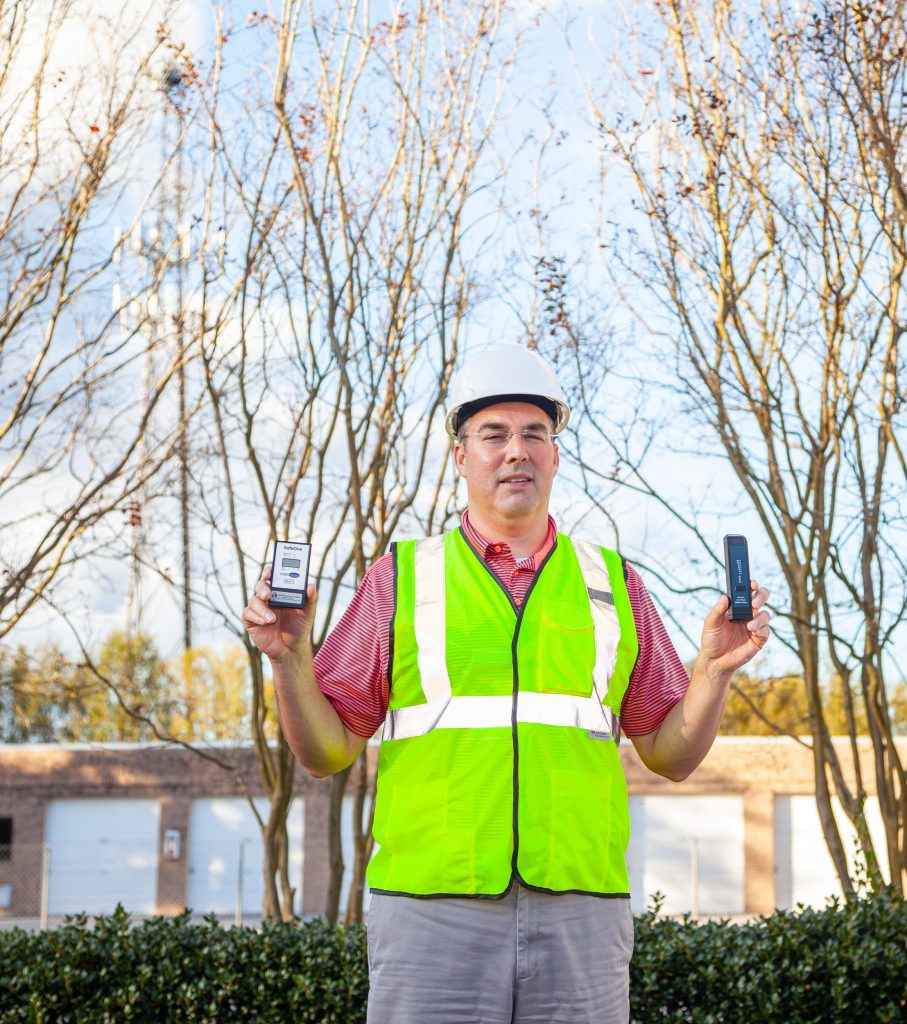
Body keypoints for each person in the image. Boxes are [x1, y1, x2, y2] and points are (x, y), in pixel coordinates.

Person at [241, 343, 771, 1024]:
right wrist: (289, 661)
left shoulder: (615, 584)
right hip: (430, 913)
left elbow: (671, 756)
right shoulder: (400, 578)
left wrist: (712, 672)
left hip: (581, 912)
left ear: (555, 455)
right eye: (493, 434)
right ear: (460, 455)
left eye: (534, 434)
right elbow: (325, 752)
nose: (516, 451)